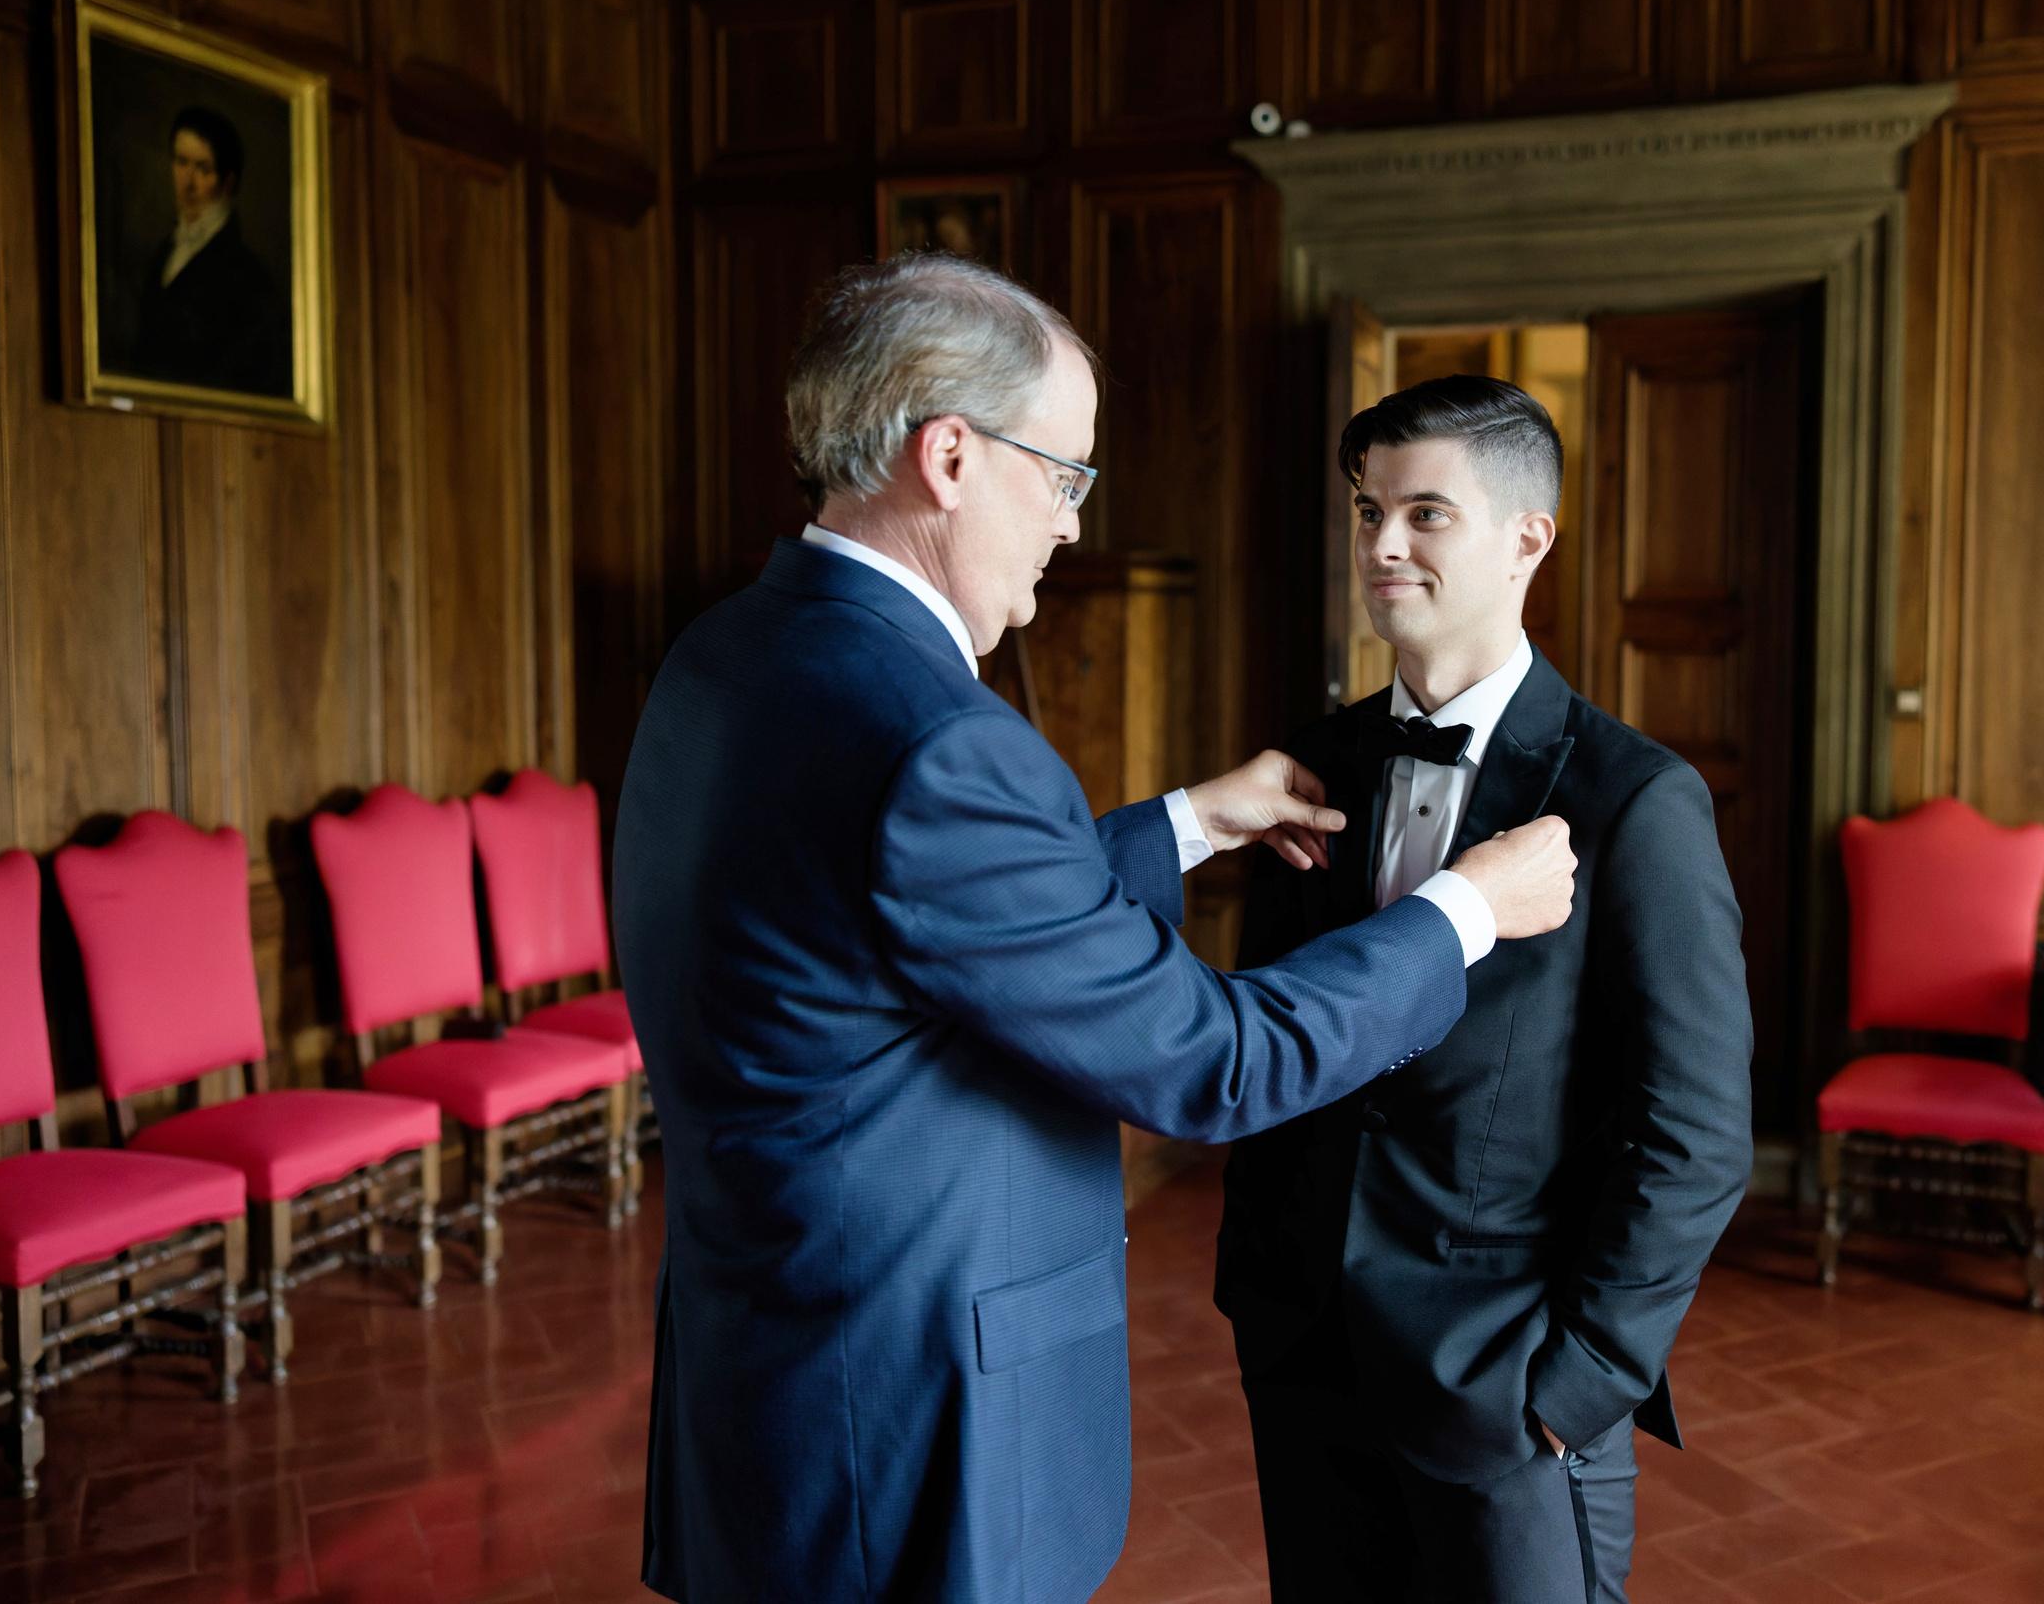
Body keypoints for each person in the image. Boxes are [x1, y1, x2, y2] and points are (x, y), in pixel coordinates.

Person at [611, 256, 1580, 1604]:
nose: (1070, 523)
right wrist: (1465, 908)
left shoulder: (728, 653)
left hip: (768, 1360)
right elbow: (1215, 1060)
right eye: (1062, 474)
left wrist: (1182, 822)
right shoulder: (943, 739)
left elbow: (896, 927)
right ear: (950, 454)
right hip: (906, 1420)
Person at [1215, 376, 1756, 1604]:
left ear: (1529, 536)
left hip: (1508, 1376)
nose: (1381, 546)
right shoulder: (1307, 764)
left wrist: (1579, 1385)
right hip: (1301, 1346)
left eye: (1423, 514)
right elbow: (1275, 1028)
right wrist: (1260, 1285)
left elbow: (1696, 1129)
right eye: (1365, 512)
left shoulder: (1635, 797)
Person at [125, 106, 292, 397]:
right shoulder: (166, 251)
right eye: (180, 162)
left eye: (202, 168)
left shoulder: (246, 276)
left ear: (228, 183)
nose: (187, 182)